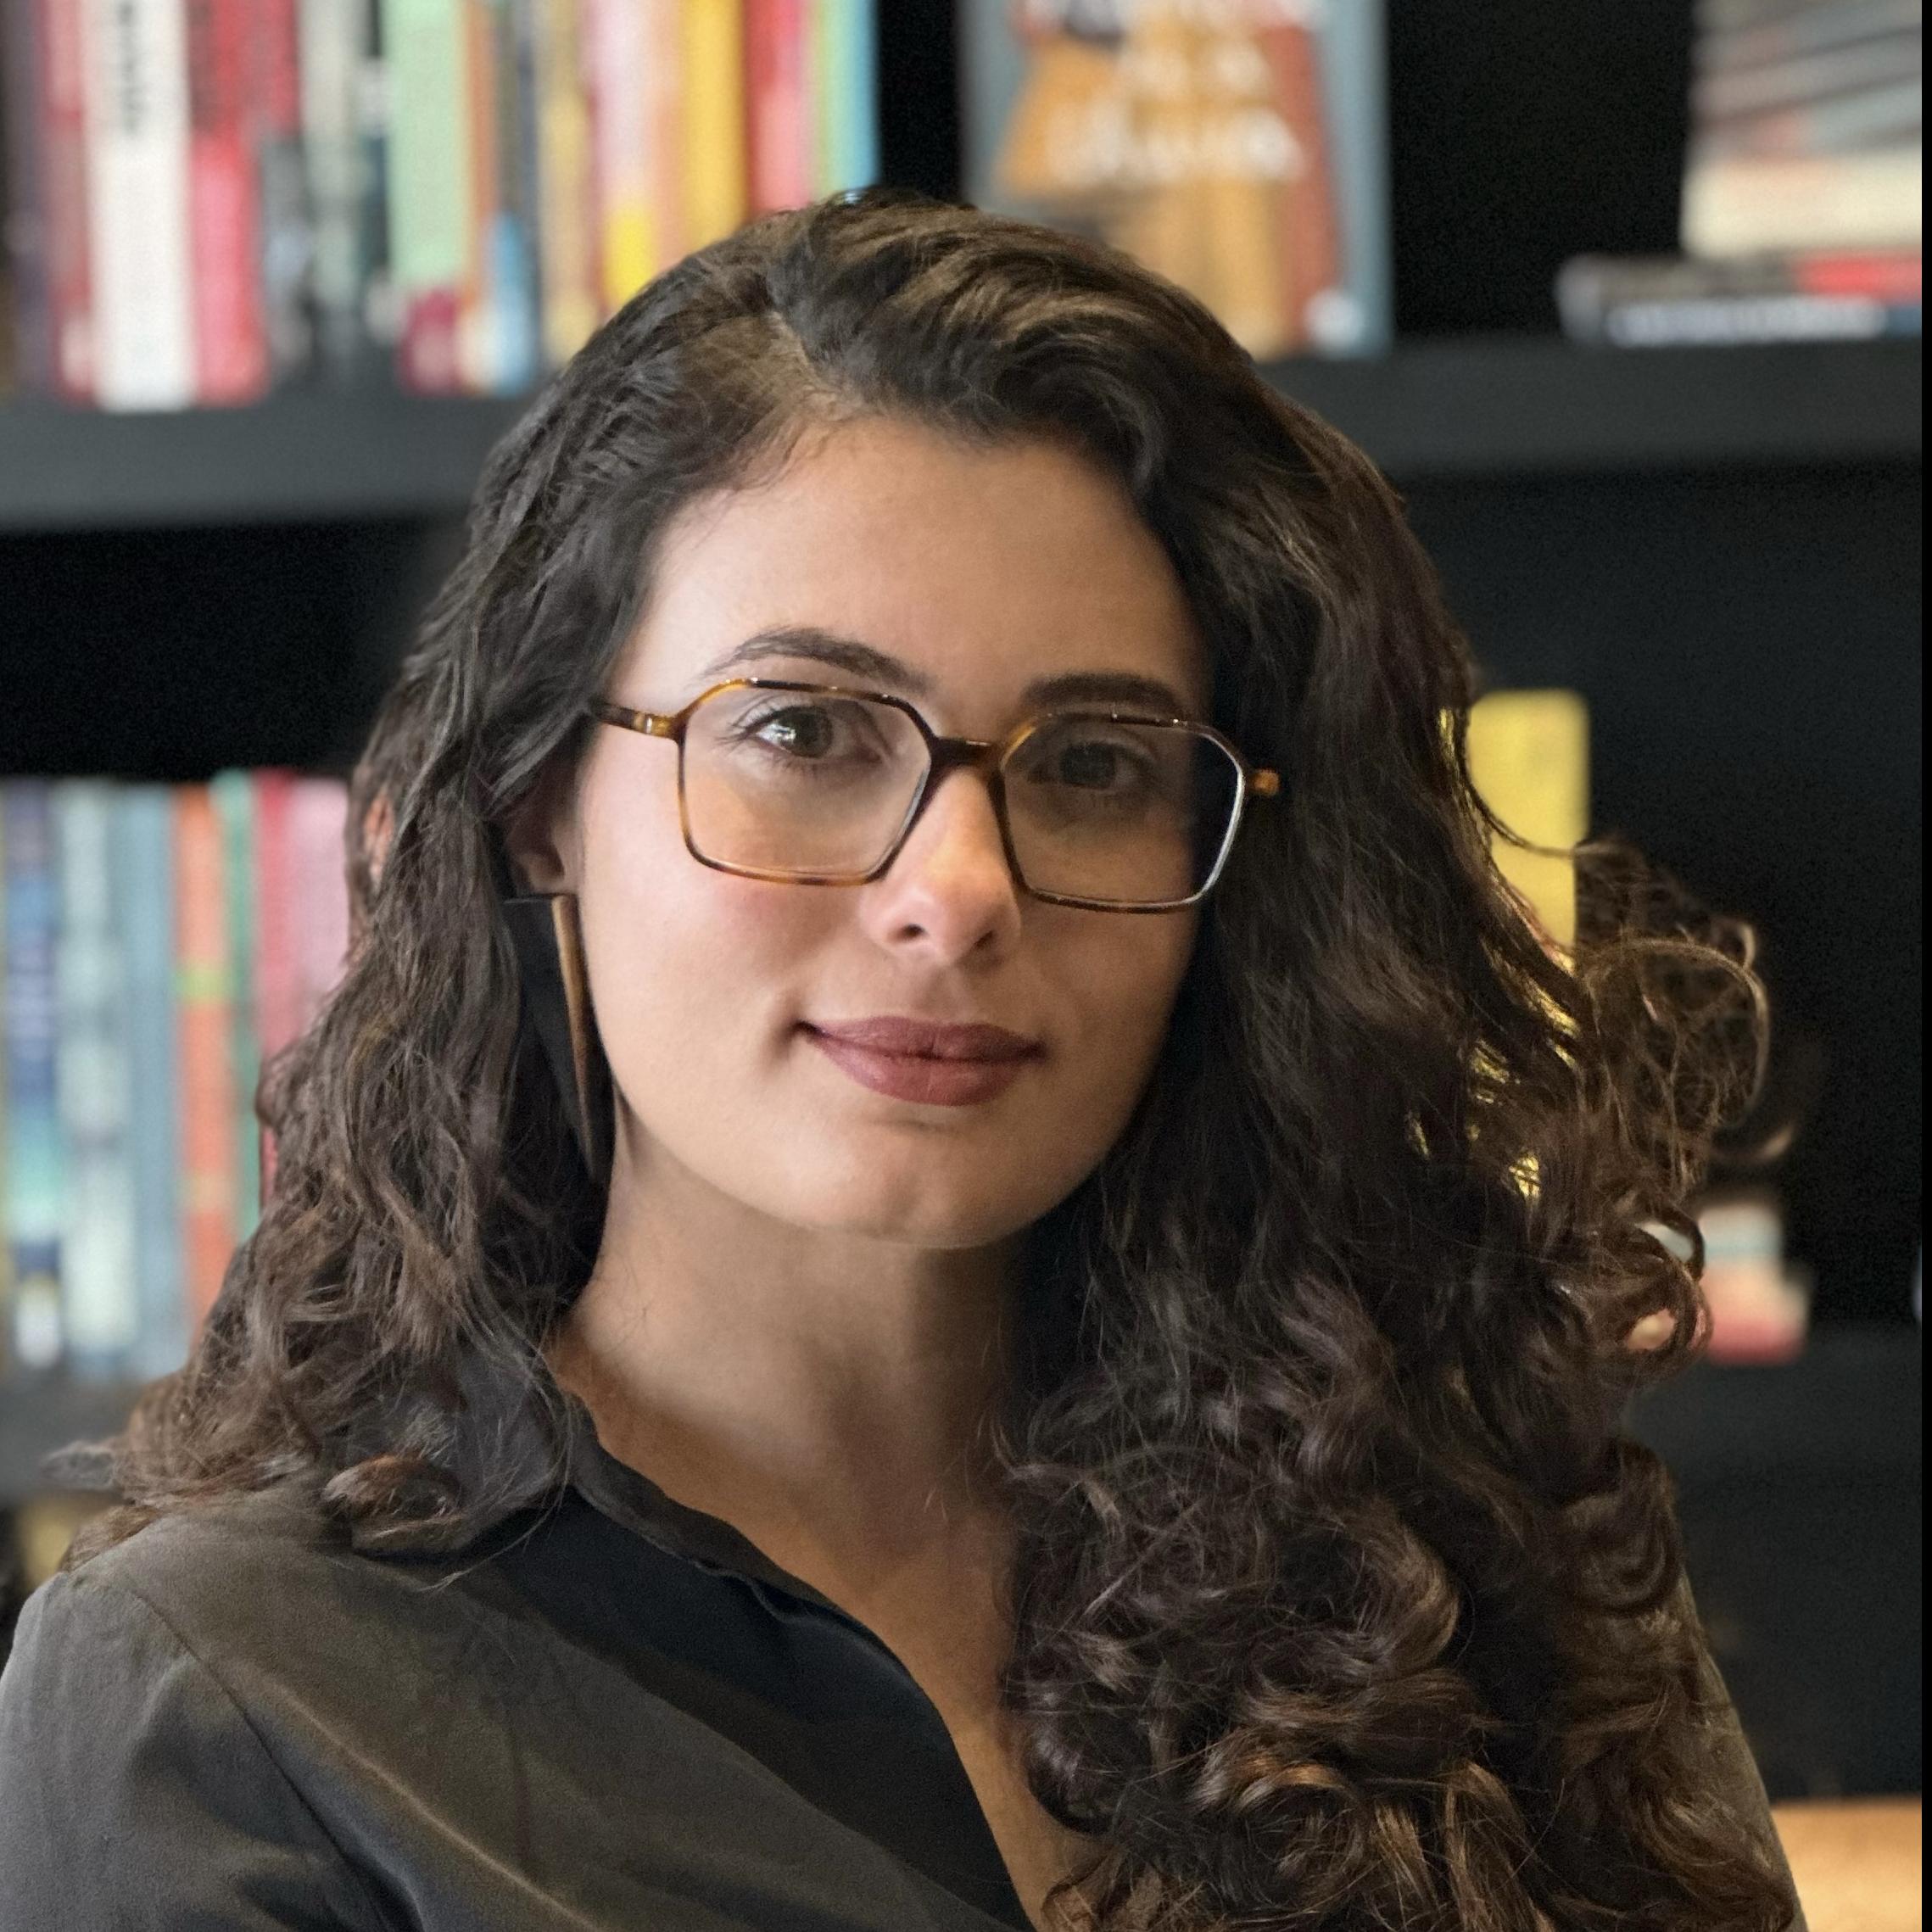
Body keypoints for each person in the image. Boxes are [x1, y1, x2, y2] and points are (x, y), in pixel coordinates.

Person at [0, 191, 1806, 1932]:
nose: (956, 890)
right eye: (802, 731)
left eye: (1092, 762)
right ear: (538, 802)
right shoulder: (232, 1698)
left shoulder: (1464, 1563)